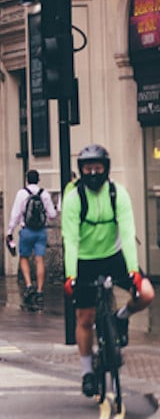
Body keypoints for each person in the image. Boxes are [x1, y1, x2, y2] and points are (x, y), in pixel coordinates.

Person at [62, 145, 156, 398]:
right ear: (80, 170)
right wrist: (70, 275)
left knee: (146, 294)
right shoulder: (73, 199)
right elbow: (70, 240)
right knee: (85, 318)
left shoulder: (118, 194)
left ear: (106, 168)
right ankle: (87, 372)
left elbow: (127, 234)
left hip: (115, 257)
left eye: (98, 167)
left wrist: (134, 271)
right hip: (84, 261)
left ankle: (121, 317)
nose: (93, 173)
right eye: (87, 168)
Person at [6, 169, 57, 308]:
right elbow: (52, 215)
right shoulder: (44, 194)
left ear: (27, 179)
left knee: (24, 258)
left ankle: (29, 285)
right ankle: (40, 290)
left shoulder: (21, 194)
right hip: (41, 231)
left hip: (26, 230)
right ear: (38, 179)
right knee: (40, 259)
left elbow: (15, 214)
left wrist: (10, 230)